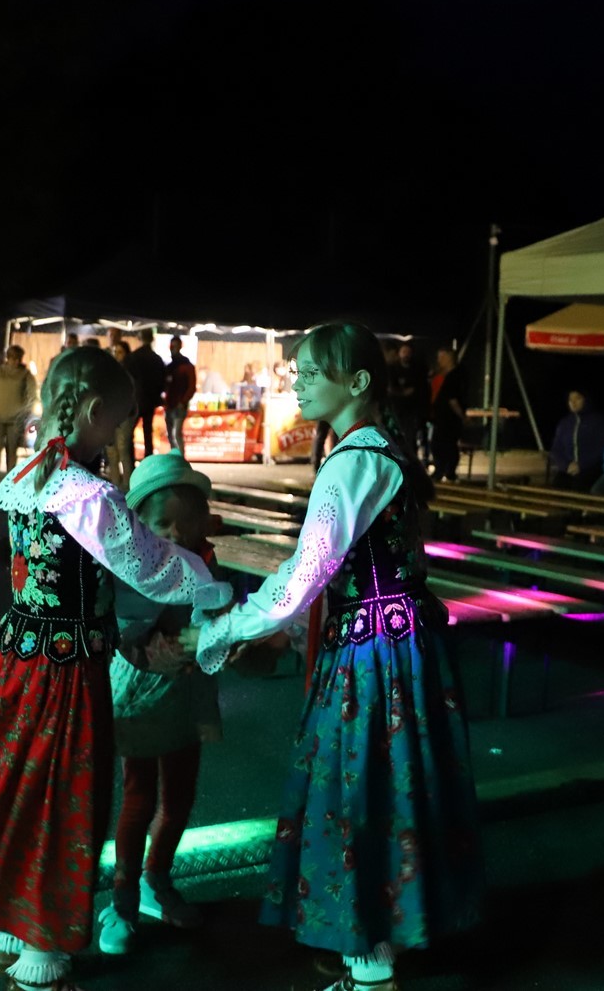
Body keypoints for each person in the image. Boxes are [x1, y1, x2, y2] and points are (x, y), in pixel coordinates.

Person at [0, 346, 233, 991]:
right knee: (61, 798)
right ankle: (42, 949)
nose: (119, 433)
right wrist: (215, 588)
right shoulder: (87, 494)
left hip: (13, 660)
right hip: (64, 673)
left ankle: (10, 925)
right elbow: (149, 565)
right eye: (118, 419)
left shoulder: (30, 473)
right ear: (92, 411)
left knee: (13, 788)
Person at [195, 321, 483, 991]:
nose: (296, 382)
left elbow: (306, 573)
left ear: (356, 382)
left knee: (358, 792)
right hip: (398, 643)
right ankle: (381, 938)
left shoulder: (354, 461)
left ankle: (369, 959)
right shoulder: (378, 449)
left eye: (310, 372)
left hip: (373, 655)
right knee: (392, 787)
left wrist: (227, 626)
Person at [98, 452, 253, 954]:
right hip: (140, 693)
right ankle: (122, 901)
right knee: (139, 797)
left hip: (188, 695)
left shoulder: (207, 563)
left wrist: (235, 636)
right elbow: (125, 630)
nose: (177, 534)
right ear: (139, 524)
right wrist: (159, 644)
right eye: (163, 523)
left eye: (187, 522)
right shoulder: (132, 568)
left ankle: (156, 880)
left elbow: (224, 615)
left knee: (181, 797)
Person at [0, 345, 40, 472]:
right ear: (7, 358)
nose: (16, 361)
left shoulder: (25, 375)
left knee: (12, 450)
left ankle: (10, 478)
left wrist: (25, 411)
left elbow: (32, 395)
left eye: (18, 358)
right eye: (13, 358)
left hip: (15, 419)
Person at [548, 389, 604, 489]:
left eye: (577, 398)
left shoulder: (598, 422)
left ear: (585, 400)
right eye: (570, 400)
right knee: (558, 485)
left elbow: (602, 449)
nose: (573, 402)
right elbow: (556, 449)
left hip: (590, 468)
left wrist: (581, 465)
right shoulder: (565, 423)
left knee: (579, 485)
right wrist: (566, 465)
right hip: (568, 469)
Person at [126, 328, 168, 464]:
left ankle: (130, 462)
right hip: (150, 400)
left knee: (129, 433)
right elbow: (162, 381)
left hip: (135, 399)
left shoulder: (133, 357)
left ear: (139, 338)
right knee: (148, 432)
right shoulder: (156, 359)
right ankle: (148, 461)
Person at [430, 349, 469, 483]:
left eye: (442, 357)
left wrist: (462, 415)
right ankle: (444, 470)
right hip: (441, 415)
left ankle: (446, 471)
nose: (439, 360)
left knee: (445, 444)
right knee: (442, 444)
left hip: (449, 417)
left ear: (450, 358)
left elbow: (452, 398)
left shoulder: (455, 376)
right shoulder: (443, 374)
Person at [103, 340, 136, 490]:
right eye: (115, 352)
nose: (117, 355)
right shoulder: (109, 371)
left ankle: (128, 485)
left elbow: (132, 395)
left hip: (124, 415)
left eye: (120, 352)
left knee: (123, 449)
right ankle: (115, 484)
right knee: (111, 451)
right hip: (110, 415)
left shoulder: (129, 372)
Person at [387, 342, 428, 461]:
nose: (406, 355)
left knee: (410, 438)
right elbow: (389, 388)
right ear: (399, 353)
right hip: (396, 409)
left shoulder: (417, 370)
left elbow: (420, 388)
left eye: (408, 352)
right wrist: (402, 393)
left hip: (412, 410)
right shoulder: (393, 369)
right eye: (404, 352)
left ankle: (411, 461)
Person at [163, 336, 198, 455]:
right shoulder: (170, 366)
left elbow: (192, 387)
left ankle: (180, 458)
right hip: (170, 404)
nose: (173, 349)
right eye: (172, 346)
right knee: (171, 435)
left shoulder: (186, 366)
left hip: (178, 405)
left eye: (175, 346)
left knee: (176, 434)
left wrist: (183, 401)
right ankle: (176, 457)